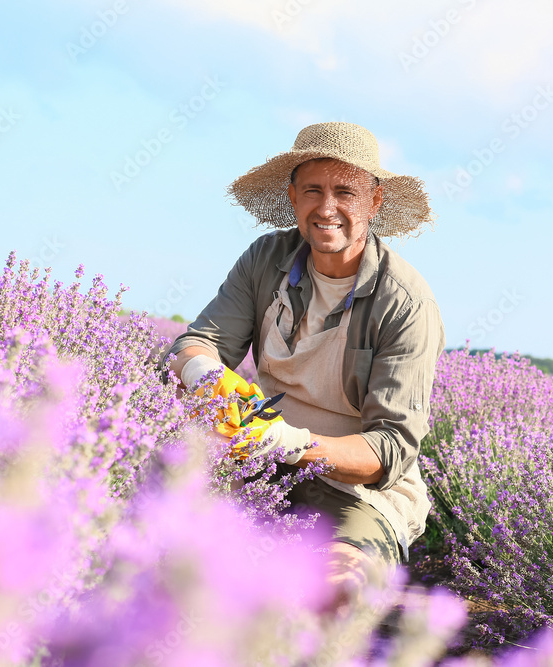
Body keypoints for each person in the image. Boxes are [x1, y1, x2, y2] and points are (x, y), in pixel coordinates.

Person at [161, 121, 445, 606]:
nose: (327, 207)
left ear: (374, 202)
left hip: (358, 493)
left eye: (346, 192)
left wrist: (285, 442)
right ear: (293, 197)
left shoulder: (405, 302)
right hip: (252, 466)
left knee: (337, 590)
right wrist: (207, 377)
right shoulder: (267, 258)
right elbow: (196, 343)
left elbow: (389, 450)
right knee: (150, 537)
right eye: (313, 189)